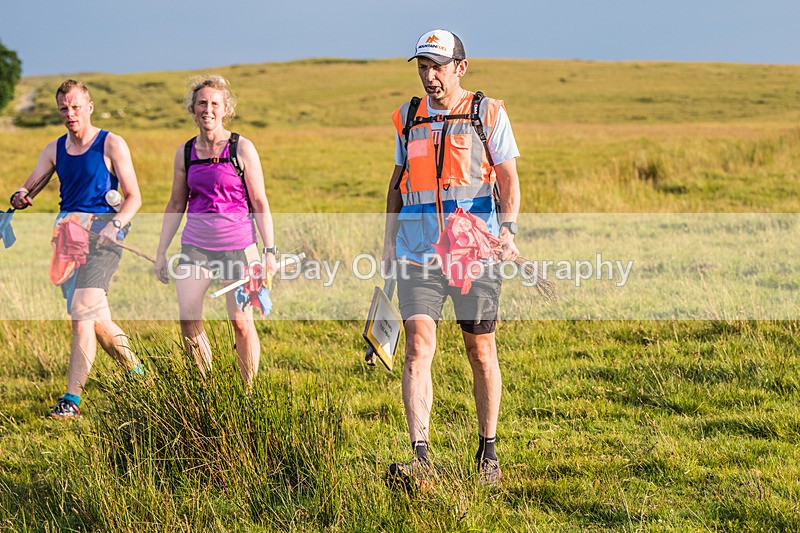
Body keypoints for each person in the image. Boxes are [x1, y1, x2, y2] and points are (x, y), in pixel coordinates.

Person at [382, 29, 521, 487]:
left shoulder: (488, 112)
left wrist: (508, 229)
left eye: (437, 67)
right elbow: (396, 185)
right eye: (423, 67)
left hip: (473, 252)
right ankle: (420, 456)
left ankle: (488, 453)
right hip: (417, 253)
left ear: (460, 67)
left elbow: (509, 179)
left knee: (480, 351)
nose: (429, 76)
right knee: (418, 348)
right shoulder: (407, 116)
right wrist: (388, 245)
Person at [10, 79, 144, 419]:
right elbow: (30, 185)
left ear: (89, 107)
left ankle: (71, 400)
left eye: (75, 107)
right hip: (68, 238)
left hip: (103, 236)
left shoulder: (111, 143)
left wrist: (115, 225)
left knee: (82, 314)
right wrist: (20, 195)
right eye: (63, 109)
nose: (70, 114)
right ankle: (139, 376)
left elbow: (134, 197)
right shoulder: (55, 149)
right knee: (98, 320)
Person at [155, 75, 277, 390]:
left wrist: (269, 251)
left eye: (214, 104)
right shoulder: (185, 153)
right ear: (193, 110)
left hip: (239, 246)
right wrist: (160, 252)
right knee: (188, 319)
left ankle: (248, 392)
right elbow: (175, 203)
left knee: (241, 322)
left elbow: (260, 202)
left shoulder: (242, 148)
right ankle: (207, 389)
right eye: (201, 104)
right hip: (196, 246)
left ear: (225, 110)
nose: (207, 110)